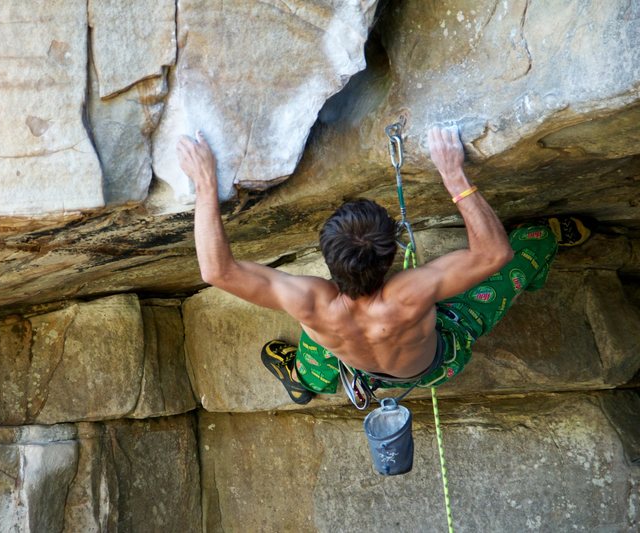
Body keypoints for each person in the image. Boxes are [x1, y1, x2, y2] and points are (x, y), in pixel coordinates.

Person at [177, 126, 589, 405]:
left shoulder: (310, 301)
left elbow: (217, 271)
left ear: (327, 259)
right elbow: (493, 255)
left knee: (318, 345)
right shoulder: (409, 293)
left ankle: (305, 380)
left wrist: (206, 184)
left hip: (355, 363)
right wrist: (453, 176)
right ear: (393, 255)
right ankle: (550, 238)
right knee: (529, 243)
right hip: (431, 367)